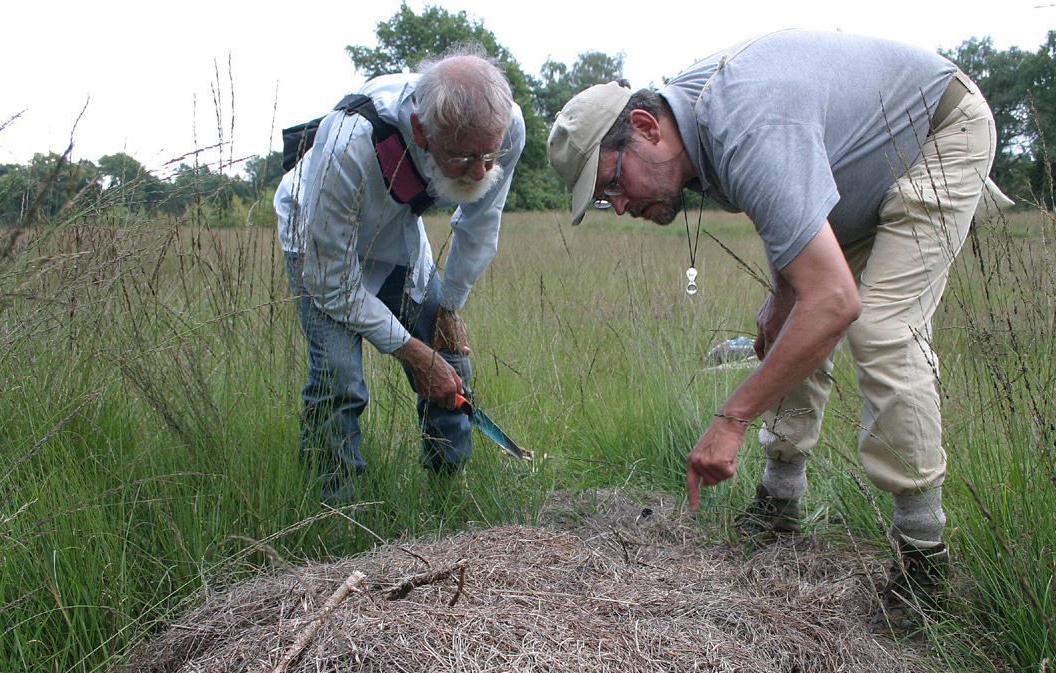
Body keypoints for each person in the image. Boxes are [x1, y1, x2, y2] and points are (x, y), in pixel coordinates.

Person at [547, 30, 1008, 634]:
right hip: (855, 176)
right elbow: (789, 195)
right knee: (792, 321)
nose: (622, 207)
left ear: (646, 127)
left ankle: (923, 561)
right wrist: (780, 294)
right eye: (607, 200)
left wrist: (731, 419)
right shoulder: (697, 132)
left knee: (882, 330)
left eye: (613, 184)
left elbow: (835, 301)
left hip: (934, 135)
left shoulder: (742, 122)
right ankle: (779, 505)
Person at [276, 47, 525, 504]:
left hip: (396, 239)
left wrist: (448, 303)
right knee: (339, 377)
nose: (480, 170)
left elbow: (479, 223)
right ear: (420, 131)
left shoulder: (505, 126)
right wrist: (410, 351)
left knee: (452, 360)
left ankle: (446, 497)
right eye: (463, 156)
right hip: (322, 242)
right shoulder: (349, 142)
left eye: (489, 153)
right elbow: (334, 282)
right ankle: (335, 513)